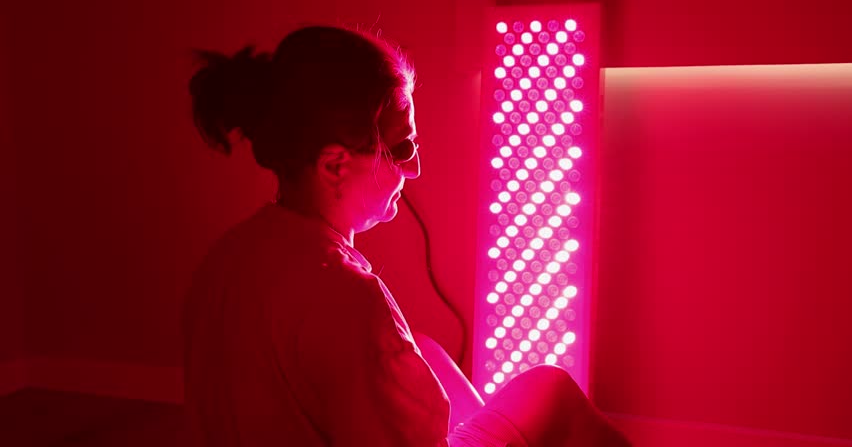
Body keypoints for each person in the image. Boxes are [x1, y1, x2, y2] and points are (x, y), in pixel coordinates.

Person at [183, 25, 631, 447]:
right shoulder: (348, 297)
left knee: (428, 352)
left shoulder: (227, 257)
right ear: (335, 165)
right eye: (401, 148)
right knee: (548, 387)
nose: (413, 168)